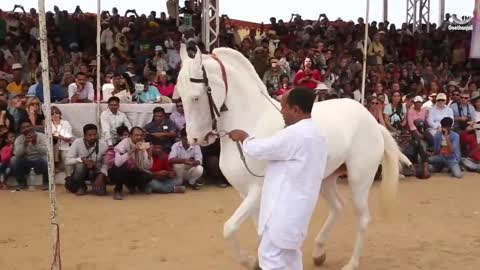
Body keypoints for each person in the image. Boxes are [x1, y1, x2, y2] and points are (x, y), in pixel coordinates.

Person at [229, 87, 328, 270]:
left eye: (284, 107)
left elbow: (260, 149)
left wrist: (244, 137)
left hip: (284, 212)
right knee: (291, 258)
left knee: (271, 259)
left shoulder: (294, 134)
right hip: (298, 211)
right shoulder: (317, 133)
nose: (281, 112)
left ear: (296, 109)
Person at [65, 124, 109, 196]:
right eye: (90, 135)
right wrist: (82, 159)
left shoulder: (103, 144)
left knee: (100, 193)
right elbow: (67, 160)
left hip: (96, 171)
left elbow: (106, 163)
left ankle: (95, 183)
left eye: (95, 134)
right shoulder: (77, 142)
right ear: (84, 136)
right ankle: (81, 186)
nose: (93, 137)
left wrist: (102, 175)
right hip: (83, 171)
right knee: (80, 166)